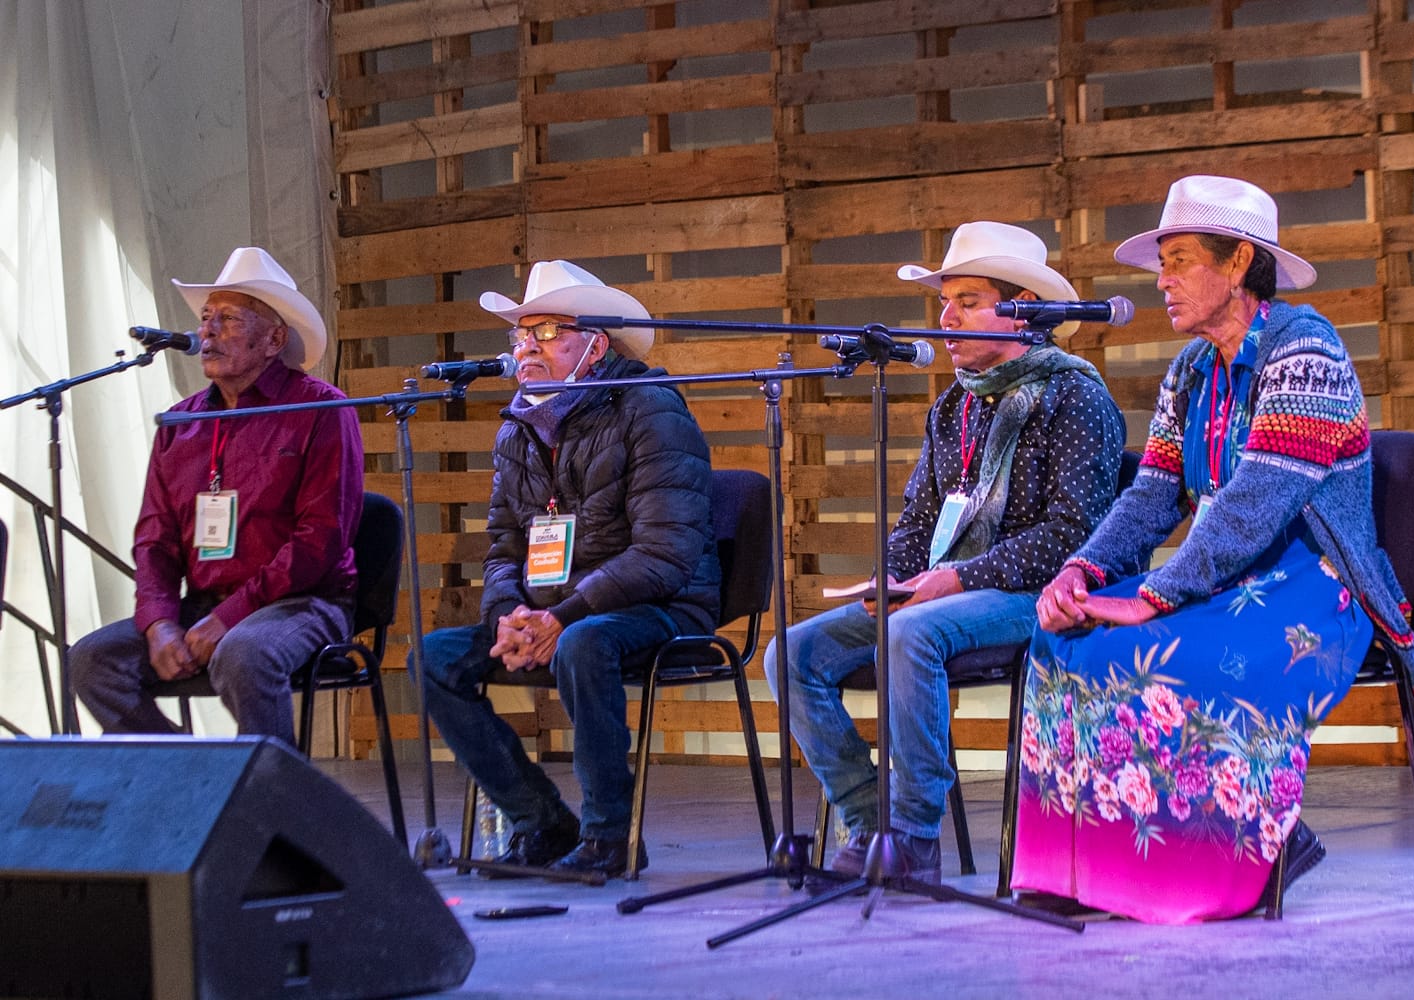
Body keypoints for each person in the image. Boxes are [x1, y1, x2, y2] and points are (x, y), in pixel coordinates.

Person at [1015, 175, 1414, 924]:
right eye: (1161, 264)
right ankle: (1079, 874)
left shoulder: (1306, 349)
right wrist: (1081, 569)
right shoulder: (1190, 371)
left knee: (1175, 657)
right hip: (1224, 580)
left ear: (1238, 262)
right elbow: (1152, 495)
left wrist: (1157, 594)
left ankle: (1244, 852)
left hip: (1316, 588)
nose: (1163, 281)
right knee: (1063, 644)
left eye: (1179, 260)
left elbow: (1255, 500)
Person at [766, 222, 1125, 886]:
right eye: (945, 299)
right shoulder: (954, 407)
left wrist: (958, 577)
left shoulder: (1076, 396)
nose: (945, 316)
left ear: (1026, 311)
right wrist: (896, 574)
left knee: (907, 634)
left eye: (967, 299)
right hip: (950, 591)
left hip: (1040, 597)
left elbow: (1073, 536)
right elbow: (919, 518)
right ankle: (871, 821)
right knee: (789, 654)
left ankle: (914, 835)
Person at [416, 260, 720, 879]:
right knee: (436, 658)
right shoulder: (518, 428)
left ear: (596, 347)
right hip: (552, 609)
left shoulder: (649, 408)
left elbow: (665, 554)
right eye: (522, 335)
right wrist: (509, 617)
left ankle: (611, 835)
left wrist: (562, 615)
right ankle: (542, 821)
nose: (528, 346)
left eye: (549, 332)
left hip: (657, 605)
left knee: (582, 644)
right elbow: (503, 545)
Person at [72, 247, 363, 746]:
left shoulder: (321, 408)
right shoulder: (182, 422)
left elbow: (320, 541)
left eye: (226, 320)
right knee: (93, 661)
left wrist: (228, 617)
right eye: (206, 318)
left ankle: (273, 813)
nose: (206, 332)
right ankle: (193, 786)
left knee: (243, 653)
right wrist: (159, 621)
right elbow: (155, 541)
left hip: (303, 603)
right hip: (204, 604)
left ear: (273, 339)